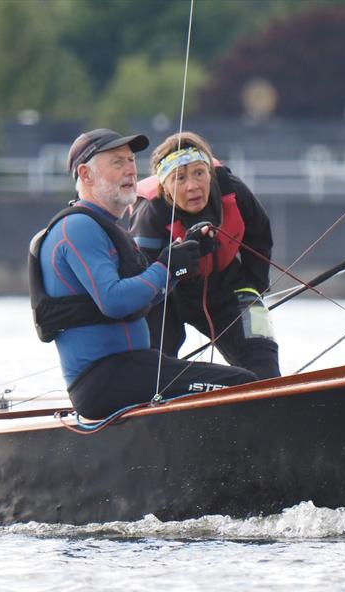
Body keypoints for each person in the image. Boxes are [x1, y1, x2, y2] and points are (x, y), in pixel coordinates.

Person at [28, 128, 256, 420]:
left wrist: (183, 260)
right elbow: (114, 301)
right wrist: (166, 267)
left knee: (239, 382)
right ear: (85, 175)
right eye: (117, 162)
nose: (130, 171)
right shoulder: (78, 228)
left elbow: (143, 297)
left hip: (133, 369)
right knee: (244, 385)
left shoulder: (106, 228)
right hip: (106, 378)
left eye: (131, 161)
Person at [129, 131, 280, 380]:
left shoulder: (234, 192)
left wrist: (254, 289)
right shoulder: (150, 214)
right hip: (167, 297)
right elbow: (141, 278)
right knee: (156, 371)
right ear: (164, 187)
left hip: (227, 286)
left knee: (263, 367)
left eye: (199, 173)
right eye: (179, 178)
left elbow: (260, 235)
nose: (193, 186)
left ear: (210, 174)